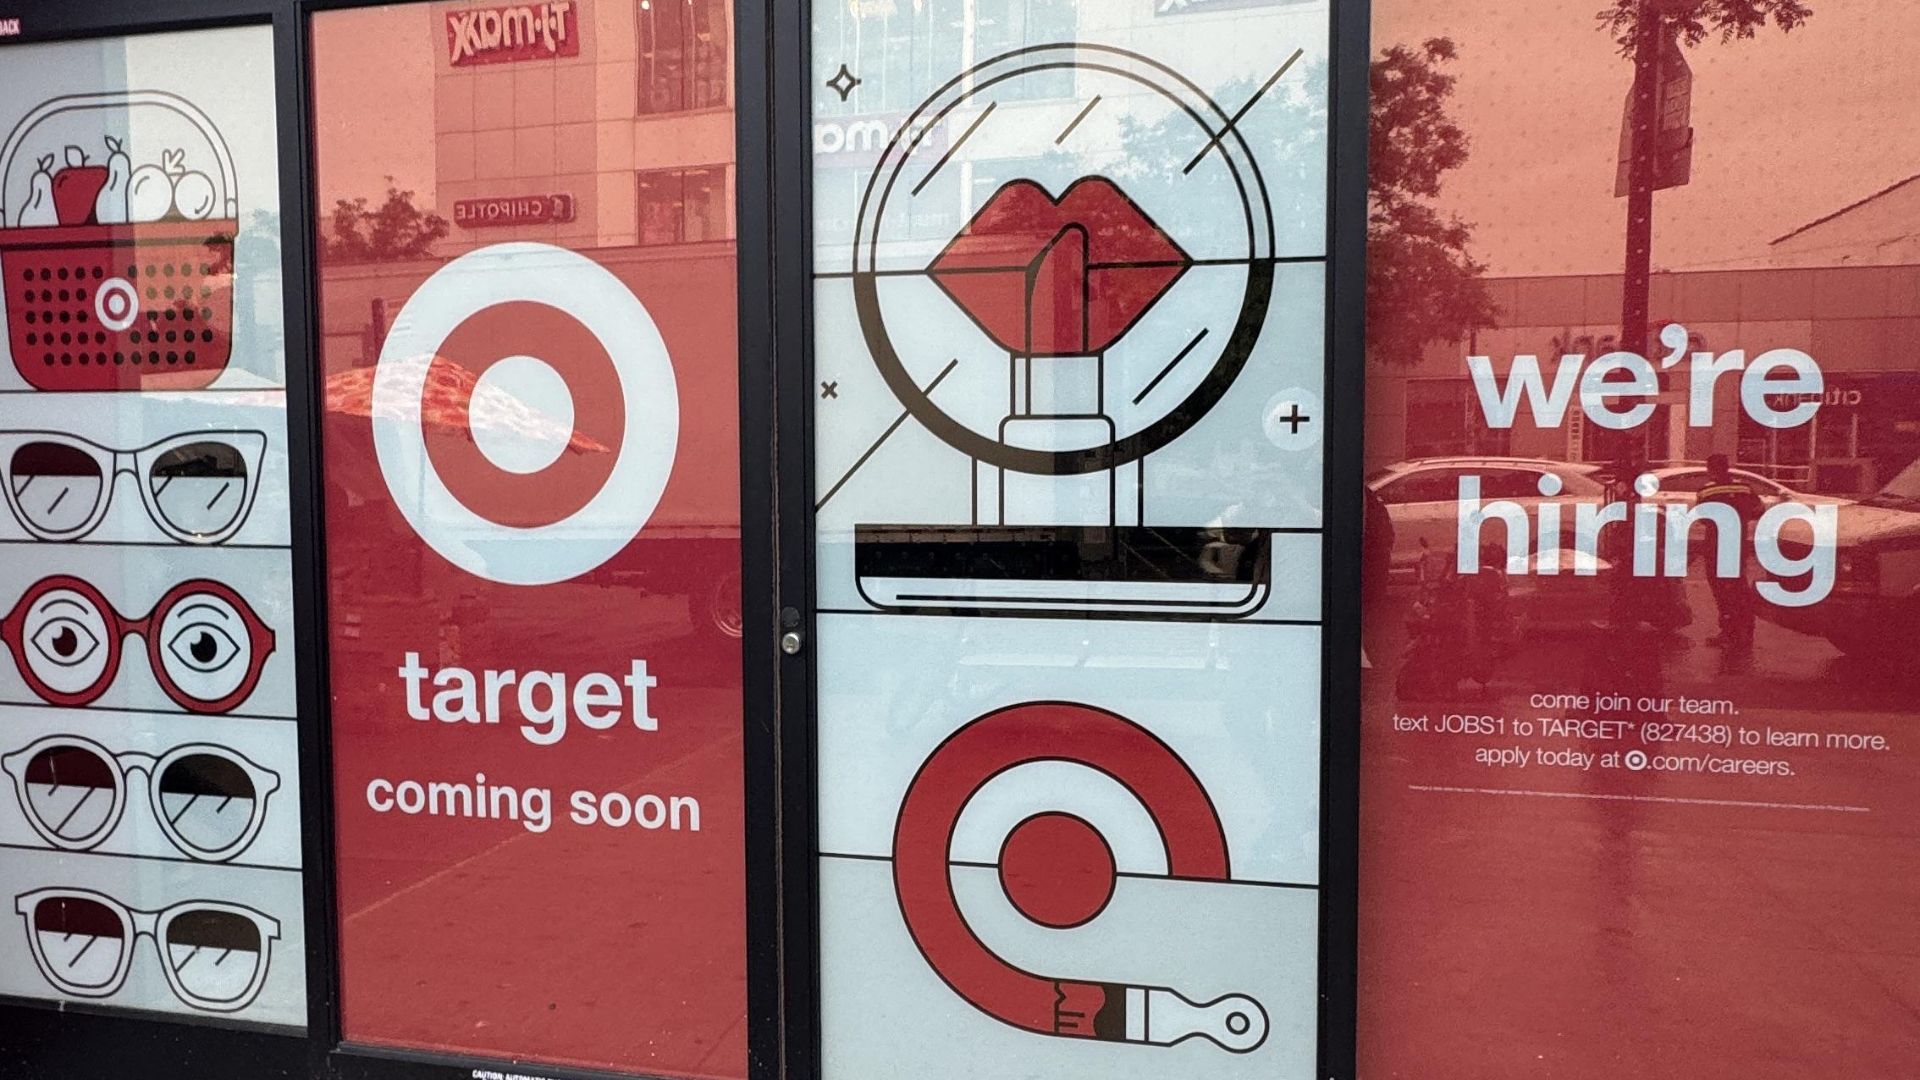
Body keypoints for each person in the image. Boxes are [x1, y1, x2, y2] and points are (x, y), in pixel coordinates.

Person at [1696, 454, 1765, 650]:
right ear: (1727, 467)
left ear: (1710, 469)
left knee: (1721, 590)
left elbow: (1703, 518)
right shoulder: (1745, 488)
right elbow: (1759, 510)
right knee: (1738, 586)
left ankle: (1729, 631)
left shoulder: (1706, 491)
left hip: (1716, 545)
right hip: (1737, 544)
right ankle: (1746, 629)